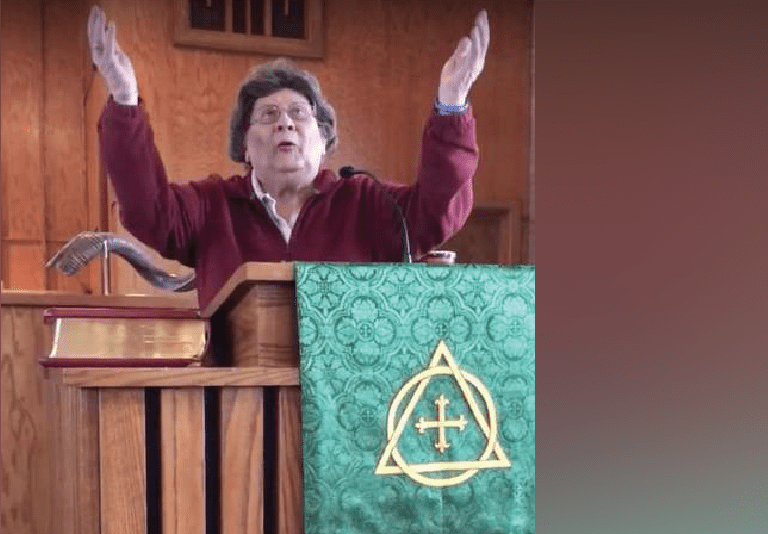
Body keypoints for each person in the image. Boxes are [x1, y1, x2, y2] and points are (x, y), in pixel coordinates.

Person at [87, 6, 489, 310]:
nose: (285, 124)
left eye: (299, 113)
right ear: (244, 147)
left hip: (347, 397)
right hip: (237, 403)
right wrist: (124, 100)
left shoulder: (368, 203)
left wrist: (451, 105)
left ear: (325, 139)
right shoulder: (212, 206)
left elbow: (441, 211)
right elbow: (146, 210)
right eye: (267, 115)